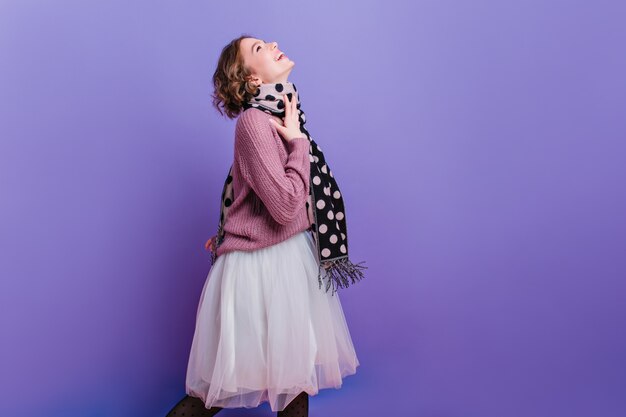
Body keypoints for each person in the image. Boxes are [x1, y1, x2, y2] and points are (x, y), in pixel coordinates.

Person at [166, 34, 365, 417]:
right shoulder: (257, 123)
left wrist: (293, 136)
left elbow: (249, 187)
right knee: (216, 396)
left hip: (287, 260)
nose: (272, 44)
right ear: (252, 80)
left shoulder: (283, 112)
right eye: (258, 49)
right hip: (260, 269)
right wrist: (298, 144)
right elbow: (285, 205)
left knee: (294, 384)